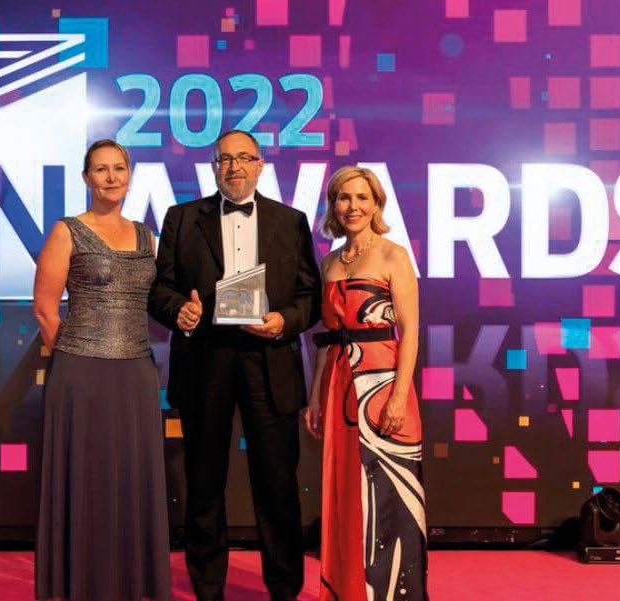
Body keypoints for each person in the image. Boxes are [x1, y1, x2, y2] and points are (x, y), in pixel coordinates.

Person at [148, 130, 321, 601]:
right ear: (213, 167)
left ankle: (284, 589)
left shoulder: (291, 220)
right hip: (205, 362)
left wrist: (284, 321)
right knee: (204, 484)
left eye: (244, 158)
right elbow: (160, 290)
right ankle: (207, 589)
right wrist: (178, 311)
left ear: (261, 165)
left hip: (270, 362)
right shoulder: (182, 218)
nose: (234, 167)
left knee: (278, 486)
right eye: (225, 159)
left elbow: (311, 297)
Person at [33, 139, 170, 601]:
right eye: (101, 169)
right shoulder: (67, 231)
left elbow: (160, 301)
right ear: (86, 178)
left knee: (131, 478)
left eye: (119, 168)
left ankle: (129, 586)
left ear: (129, 175)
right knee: (86, 479)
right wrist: (78, 356)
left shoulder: (148, 237)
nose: (111, 177)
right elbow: (45, 309)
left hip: (136, 373)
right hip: (80, 375)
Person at [306, 166, 428, 600]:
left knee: (386, 497)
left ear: (376, 204)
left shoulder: (394, 256)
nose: (353, 206)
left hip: (383, 384)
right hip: (338, 385)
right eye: (344, 198)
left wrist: (399, 396)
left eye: (362, 197)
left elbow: (409, 333)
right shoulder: (329, 263)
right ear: (333, 206)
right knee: (345, 494)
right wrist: (315, 396)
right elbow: (327, 336)